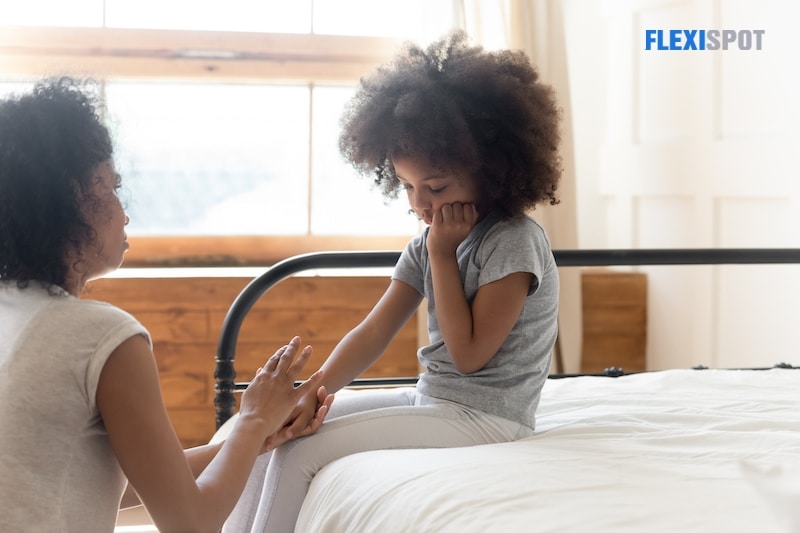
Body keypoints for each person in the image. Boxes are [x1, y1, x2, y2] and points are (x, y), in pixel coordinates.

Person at [222, 30, 563, 532]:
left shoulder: (512, 241)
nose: (420, 203)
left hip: (489, 419)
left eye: (436, 186)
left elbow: (469, 359)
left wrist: (443, 256)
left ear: (490, 171)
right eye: (406, 186)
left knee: (301, 454)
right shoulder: (428, 240)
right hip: (433, 399)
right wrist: (310, 392)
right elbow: (374, 332)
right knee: (268, 435)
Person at [0, 76, 334, 533]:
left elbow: (114, 483)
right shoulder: (98, 335)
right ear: (75, 195)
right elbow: (189, 524)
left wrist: (250, 437)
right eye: (112, 186)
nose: (124, 209)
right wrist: (253, 419)